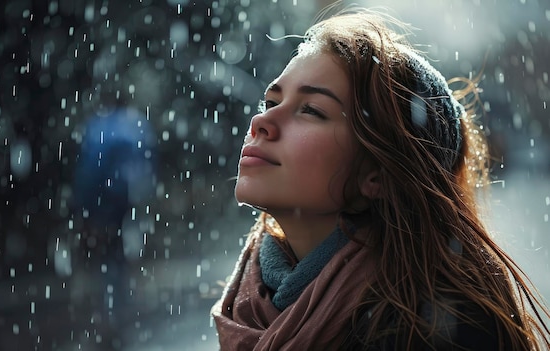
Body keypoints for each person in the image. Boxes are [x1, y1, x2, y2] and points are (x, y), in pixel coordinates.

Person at [211, 7, 550, 351]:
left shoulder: (440, 331)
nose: (261, 122)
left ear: (376, 174)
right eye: (270, 101)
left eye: (311, 110)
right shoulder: (250, 306)